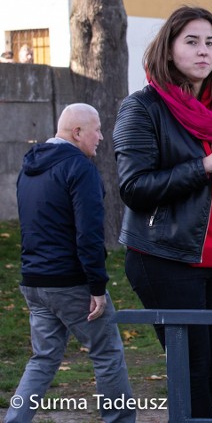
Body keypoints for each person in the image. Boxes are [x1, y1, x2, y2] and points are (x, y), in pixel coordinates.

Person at [114, 6, 212, 418]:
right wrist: (206, 165)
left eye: (210, 42)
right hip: (164, 256)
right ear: (169, 49)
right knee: (193, 369)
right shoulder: (141, 108)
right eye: (192, 42)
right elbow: (133, 188)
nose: (203, 51)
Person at [8, 104, 135, 423]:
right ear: (77, 132)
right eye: (97, 129)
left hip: (34, 281)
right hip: (70, 281)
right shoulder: (80, 169)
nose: (102, 137)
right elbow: (89, 234)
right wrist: (96, 286)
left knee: (43, 358)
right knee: (107, 353)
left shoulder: (30, 167)